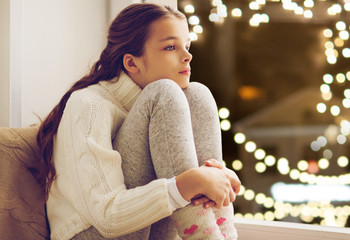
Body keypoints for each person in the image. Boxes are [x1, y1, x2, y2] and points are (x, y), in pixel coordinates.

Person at [36, 3, 241, 240]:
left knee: (197, 93)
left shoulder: (159, 109)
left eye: (187, 45)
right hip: (93, 233)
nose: (187, 56)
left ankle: (222, 234)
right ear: (132, 63)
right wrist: (187, 184)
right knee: (165, 92)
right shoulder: (89, 105)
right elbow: (108, 219)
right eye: (171, 47)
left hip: (150, 231)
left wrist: (217, 179)